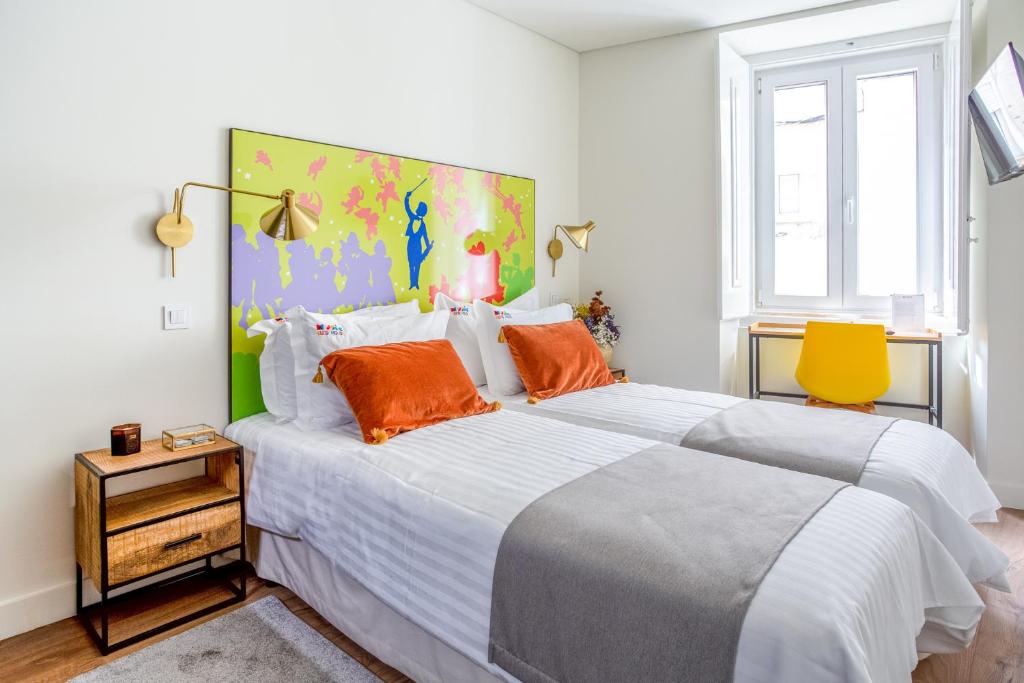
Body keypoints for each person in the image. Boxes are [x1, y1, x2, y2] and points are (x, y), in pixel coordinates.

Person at [404, 183, 434, 289]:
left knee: (417, 265)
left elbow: (425, 237)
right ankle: (412, 282)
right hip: (411, 244)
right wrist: (407, 198)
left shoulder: (423, 225)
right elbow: (407, 208)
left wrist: (428, 245)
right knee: (410, 264)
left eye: (418, 207)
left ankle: (415, 283)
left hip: (417, 246)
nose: (416, 208)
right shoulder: (412, 217)